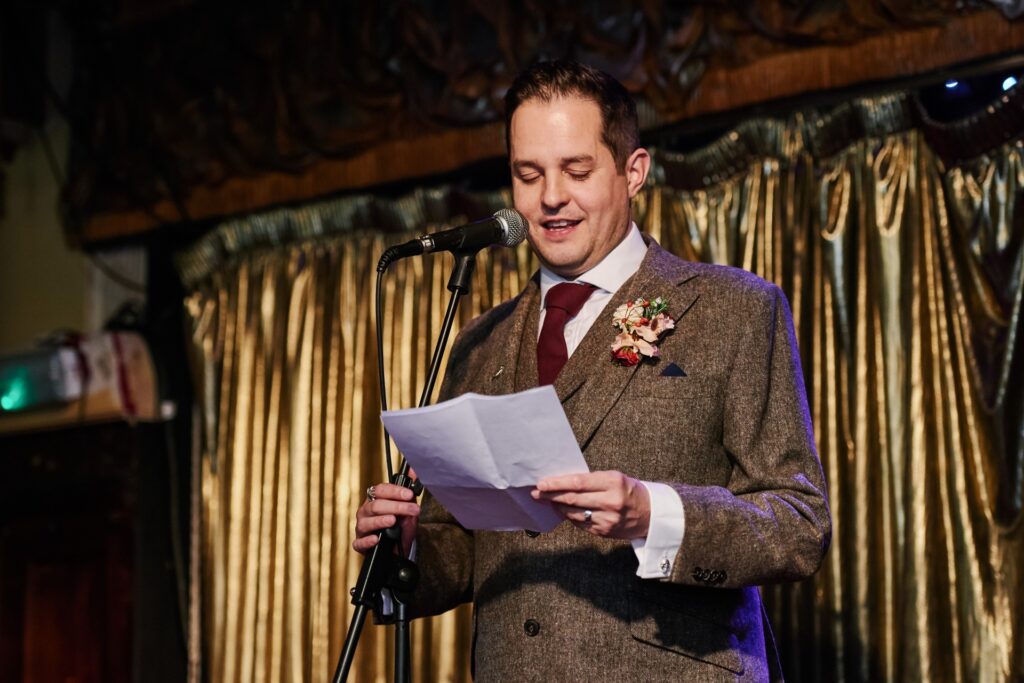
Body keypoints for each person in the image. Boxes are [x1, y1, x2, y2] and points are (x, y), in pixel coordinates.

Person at [354, 60, 830, 682]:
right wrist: (409, 544)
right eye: (529, 175)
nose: (551, 196)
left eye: (577, 170)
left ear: (634, 172)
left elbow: (798, 525)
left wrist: (650, 514)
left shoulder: (734, 310)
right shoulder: (478, 342)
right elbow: (473, 552)